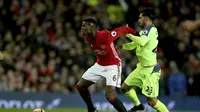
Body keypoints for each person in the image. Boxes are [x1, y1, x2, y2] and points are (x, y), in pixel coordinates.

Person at [76, 18, 136, 112]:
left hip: (112, 65)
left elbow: (123, 29)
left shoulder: (105, 35)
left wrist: (139, 36)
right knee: (80, 86)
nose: (81, 28)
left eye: (84, 26)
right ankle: (91, 109)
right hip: (100, 64)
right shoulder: (88, 37)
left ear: (92, 27)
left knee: (110, 97)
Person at [121, 8, 169, 112]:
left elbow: (142, 42)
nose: (138, 20)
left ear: (146, 19)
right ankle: (138, 106)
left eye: (140, 18)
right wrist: (121, 47)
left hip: (150, 71)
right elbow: (134, 44)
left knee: (152, 102)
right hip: (141, 68)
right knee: (125, 87)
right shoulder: (144, 32)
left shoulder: (151, 29)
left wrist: (128, 34)